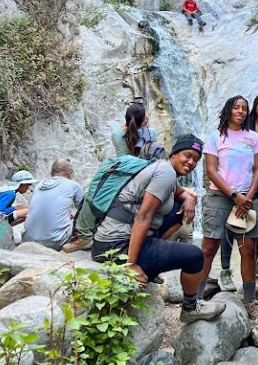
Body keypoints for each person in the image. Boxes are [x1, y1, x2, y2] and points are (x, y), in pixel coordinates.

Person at [92, 134, 224, 323]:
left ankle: (151, 262)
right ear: (174, 154)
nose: (191, 162)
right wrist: (131, 265)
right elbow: (143, 216)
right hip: (115, 248)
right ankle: (190, 308)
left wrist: (190, 199)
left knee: (177, 209)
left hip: (105, 240)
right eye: (187, 155)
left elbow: (181, 194)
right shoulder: (166, 174)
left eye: (196, 159)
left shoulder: (162, 168)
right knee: (195, 256)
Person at [198, 96, 258, 317]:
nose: (241, 111)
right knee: (209, 246)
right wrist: (234, 196)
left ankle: (250, 300)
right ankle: (195, 299)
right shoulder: (215, 137)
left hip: (247, 196)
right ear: (228, 109)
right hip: (220, 196)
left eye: (245, 108)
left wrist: (248, 197)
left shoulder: (252, 137)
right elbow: (211, 171)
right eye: (236, 107)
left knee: (249, 249)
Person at [219, 92, 258, 288]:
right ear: (254, 105)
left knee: (253, 222)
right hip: (237, 183)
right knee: (229, 223)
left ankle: (254, 262)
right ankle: (225, 267)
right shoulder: (243, 125)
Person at [22, 159, 84, 250]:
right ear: (70, 172)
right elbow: (84, 211)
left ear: (51, 172)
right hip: (54, 242)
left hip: (27, 239)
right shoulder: (73, 185)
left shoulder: (39, 185)